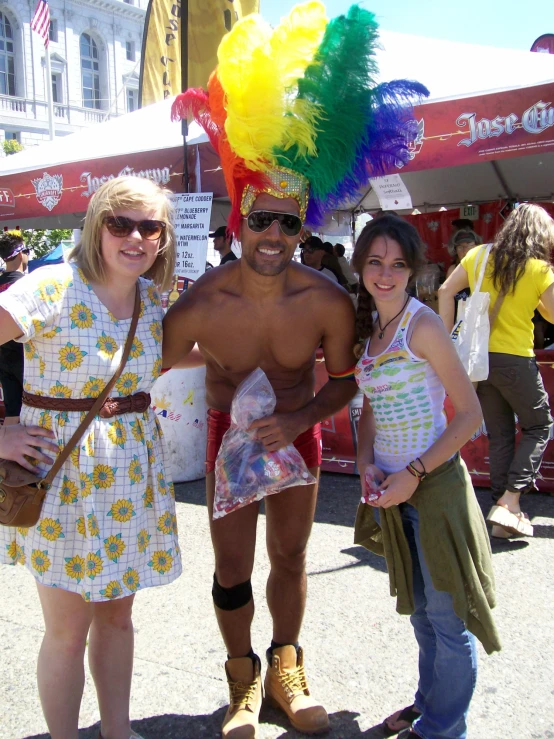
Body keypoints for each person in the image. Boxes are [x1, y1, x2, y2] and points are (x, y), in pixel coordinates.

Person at [169, 4, 426, 735]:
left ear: (303, 223)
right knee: (231, 569)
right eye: (263, 219)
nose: (277, 233)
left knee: (290, 555)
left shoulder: (326, 301)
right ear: (237, 220)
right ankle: (241, 679)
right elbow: (136, 359)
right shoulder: (203, 299)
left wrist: (299, 418)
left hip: (298, 440)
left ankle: (287, 665)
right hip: (226, 437)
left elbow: (344, 381)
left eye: (290, 220)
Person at [0, 176, 181, 739]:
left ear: (163, 237)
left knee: (118, 618)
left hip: (131, 477)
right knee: (65, 631)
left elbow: (203, 354)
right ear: (96, 224)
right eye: (119, 223)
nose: (135, 236)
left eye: (149, 226)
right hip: (61, 477)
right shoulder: (50, 286)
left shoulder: (153, 299)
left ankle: (117, 730)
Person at [352, 214, 500, 739]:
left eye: (397, 264)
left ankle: (443, 729)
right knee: (420, 614)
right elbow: (370, 405)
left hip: (432, 487)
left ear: (413, 269)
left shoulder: (424, 325)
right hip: (394, 487)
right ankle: (428, 704)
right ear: (361, 267)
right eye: (375, 262)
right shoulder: (371, 328)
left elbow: (469, 416)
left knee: (447, 621)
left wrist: (413, 473)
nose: (385, 274)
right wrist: (367, 461)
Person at [439, 203, 554, 539]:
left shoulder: (479, 255)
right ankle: (511, 500)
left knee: (501, 433)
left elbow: (446, 290)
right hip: (516, 359)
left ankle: (500, 514)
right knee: (539, 425)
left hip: (478, 359)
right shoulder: (538, 268)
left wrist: (446, 339)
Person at [0, 230, 29, 421]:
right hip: (26, 357)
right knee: (32, 408)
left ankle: (8, 451)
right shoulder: (28, 285)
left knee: (12, 409)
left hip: (3, 356)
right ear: (20, 253)